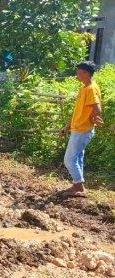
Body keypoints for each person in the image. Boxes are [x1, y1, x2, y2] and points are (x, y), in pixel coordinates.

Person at [60, 61, 103, 198]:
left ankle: (79, 186)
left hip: (82, 130)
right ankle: (77, 184)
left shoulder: (90, 88)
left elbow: (97, 108)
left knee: (69, 159)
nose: (77, 73)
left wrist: (95, 118)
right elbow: (78, 111)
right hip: (78, 128)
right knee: (77, 158)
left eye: (79, 71)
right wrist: (67, 127)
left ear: (86, 73)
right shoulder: (84, 88)